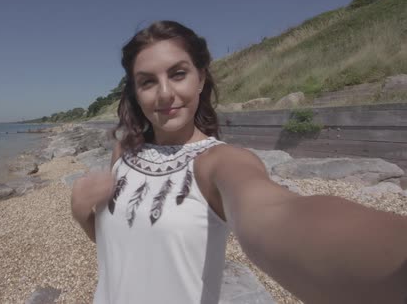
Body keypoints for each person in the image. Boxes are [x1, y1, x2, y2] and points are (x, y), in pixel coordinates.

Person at [71, 21, 407, 304]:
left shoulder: (220, 161)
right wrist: (81, 212)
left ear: (200, 79)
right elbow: (124, 249)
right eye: (147, 81)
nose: (164, 94)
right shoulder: (124, 153)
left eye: (177, 74)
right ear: (135, 92)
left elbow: (276, 215)